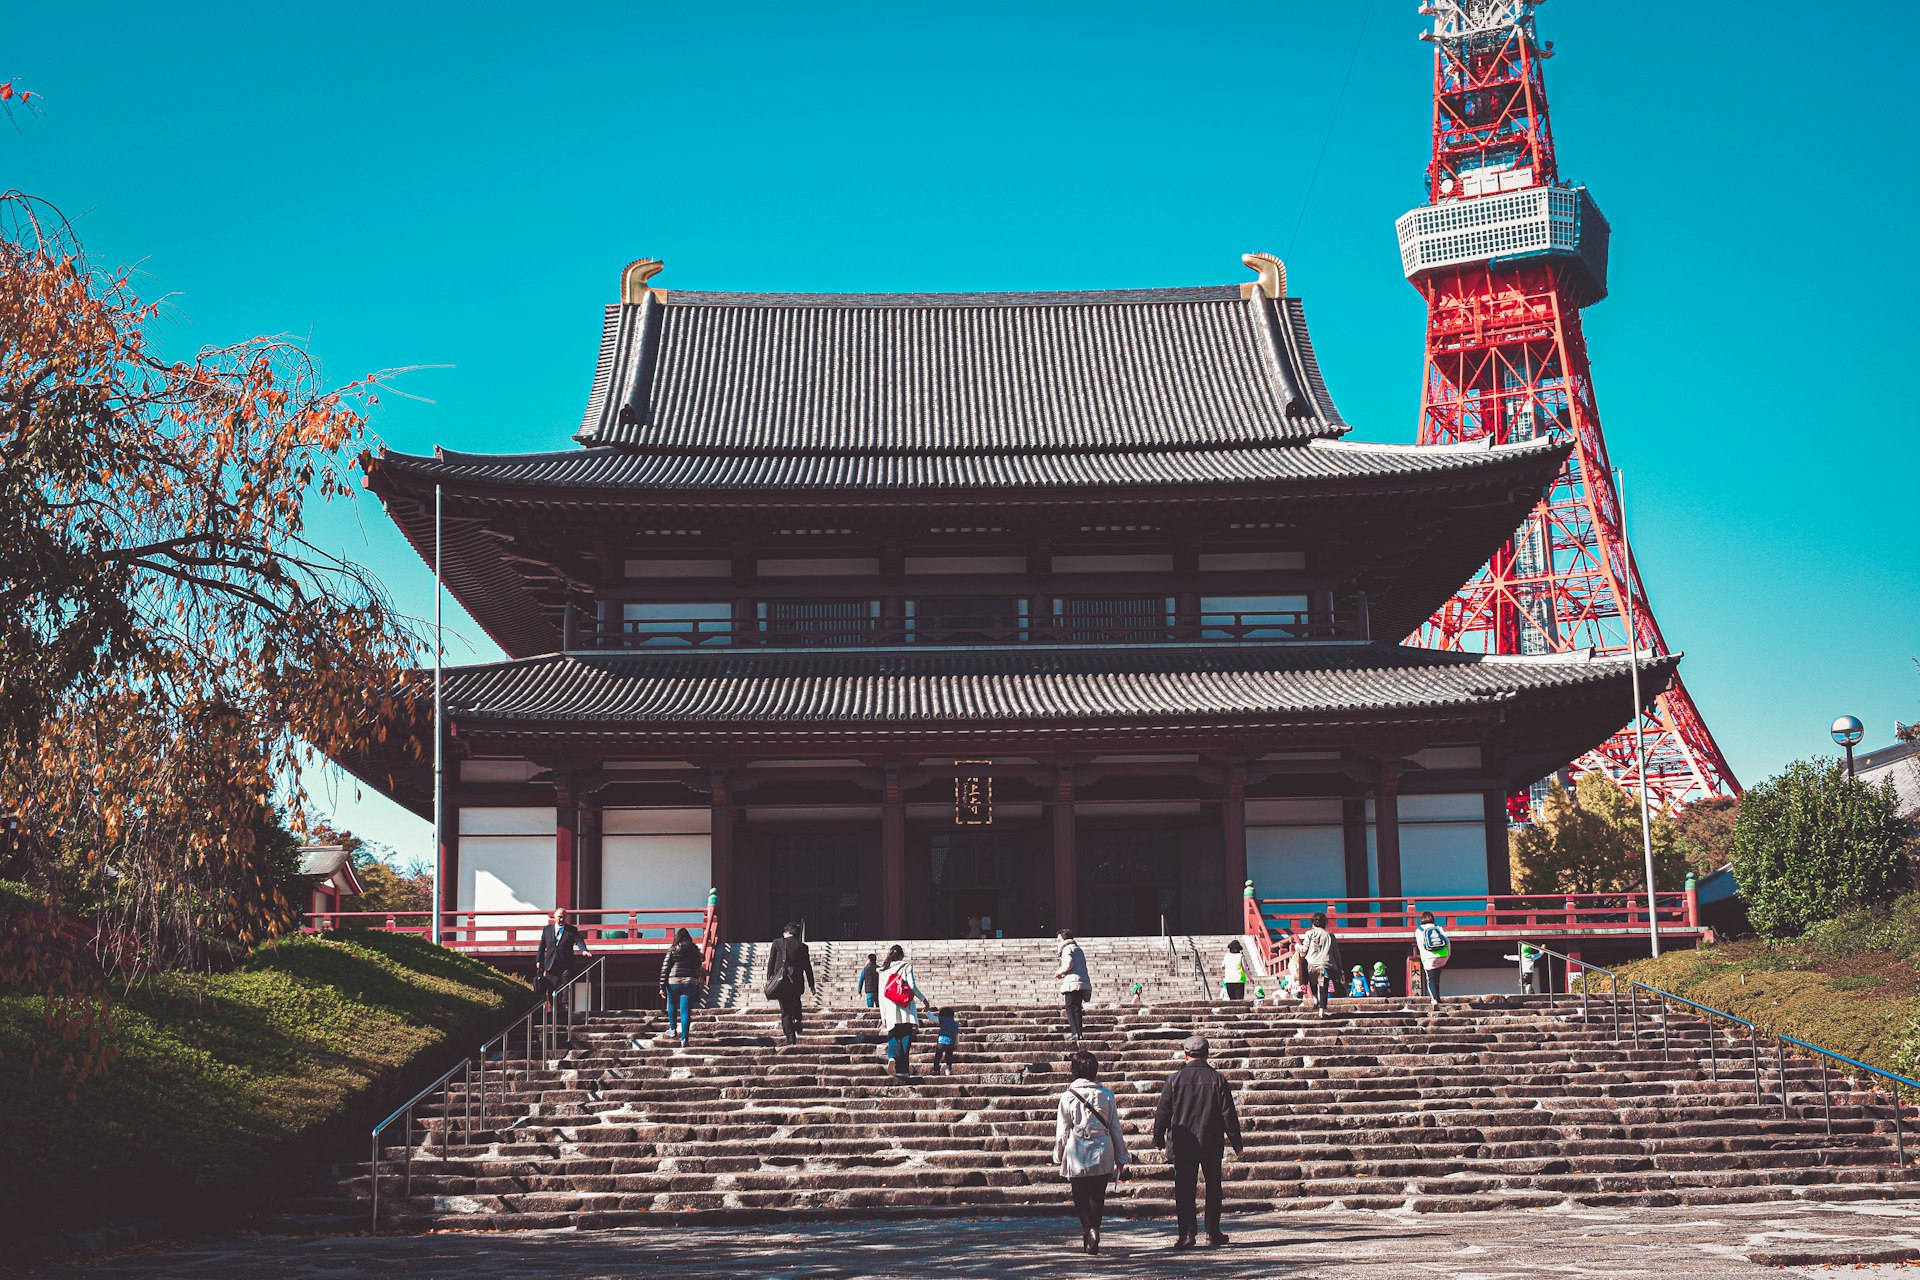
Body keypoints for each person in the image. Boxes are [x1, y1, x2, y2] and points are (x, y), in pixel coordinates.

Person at [1153, 1034, 1243, 1250]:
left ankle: (1186, 1234)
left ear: (1186, 1055)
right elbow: (1228, 1115)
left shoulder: (1173, 1080)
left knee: (1184, 1189)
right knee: (1213, 1187)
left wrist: (1158, 1138)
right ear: (1207, 1055)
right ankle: (1212, 1231)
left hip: (1183, 1143)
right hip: (1210, 1142)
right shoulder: (1218, 1080)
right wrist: (1237, 1144)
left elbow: (1163, 1113)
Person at [1054, 1048, 1129, 1255]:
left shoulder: (1067, 1097)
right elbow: (1115, 1128)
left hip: (1077, 1149)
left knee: (1080, 1195)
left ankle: (1088, 1229)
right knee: (1098, 1195)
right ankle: (1095, 1229)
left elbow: (1063, 1130)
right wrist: (1122, 1156)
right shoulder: (1107, 1095)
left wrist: (1058, 1153)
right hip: (1102, 1149)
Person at [877, 944, 934, 1078]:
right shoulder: (906, 966)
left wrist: (883, 1015)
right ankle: (903, 1069)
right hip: (906, 1006)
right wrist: (924, 1000)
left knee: (893, 1035)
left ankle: (892, 1057)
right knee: (906, 1037)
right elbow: (912, 986)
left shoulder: (883, 970)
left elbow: (881, 994)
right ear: (901, 955)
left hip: (890, 1007)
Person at [535, 908, 591, 1030]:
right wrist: (539, 960)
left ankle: (566, 1008)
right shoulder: (547, 930)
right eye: (559, 917)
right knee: (551, 987)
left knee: (566, 986)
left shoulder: (572, 930)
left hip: (566, 964)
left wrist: (584, 950)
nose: (561, 919)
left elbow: (579, 941)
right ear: (554, 918)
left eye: (563, 917)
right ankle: (553, 1008)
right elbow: (542, 946)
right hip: (550, 964)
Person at [764, 921, 816, 1046]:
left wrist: (768, 979)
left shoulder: (777, 943)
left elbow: (771, 962)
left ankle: (790, 1039)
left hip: (781, 983)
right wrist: (811, 984)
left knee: (785, 1011)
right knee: (796, 1003)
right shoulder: (803, 947)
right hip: (796, 982)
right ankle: (797, 1020)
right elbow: (807, 967)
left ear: (787, 932)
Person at [658, 926, 703, 1046]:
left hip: (674, 981)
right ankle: (684, 1039)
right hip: (689, 981)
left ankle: (672, 1029)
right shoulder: (694, 949)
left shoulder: (673, 949)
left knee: (671, 1002)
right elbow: (699, 964)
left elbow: (665, 968)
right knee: (685, 1011)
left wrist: (662, 987)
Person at [1300, 912, 1342, 1018]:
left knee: (1313, 982)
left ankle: (1315, 998)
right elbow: (1336, 953)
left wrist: (1297, 947)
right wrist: (1340, 967)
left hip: (1312, 964)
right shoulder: (1330, 936)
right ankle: (1321, 1011)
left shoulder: (1309, 934)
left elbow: (1304, 950)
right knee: (1323, 987)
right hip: (1325, 964)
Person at [1055, 929, 1092, 1041]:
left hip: (1072, 983)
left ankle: (1075, 1032)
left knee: (1070, 1008)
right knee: (1077, 1008)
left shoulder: (1067, 948)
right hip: (1081, 981)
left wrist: (1060, 972)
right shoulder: (1078, 949)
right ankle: (1079, 1033)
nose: (1058, 942)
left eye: (1059, 940)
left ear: (1064, 939)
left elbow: (1069, 963)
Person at [1414, 911, 1451, 1006]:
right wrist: (1448, 954)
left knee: (1431, 979)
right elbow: (1447, 941)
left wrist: (1424, 959)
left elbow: (1420, 946)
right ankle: (1438, 998)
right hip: (1442, 956)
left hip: (1429, 958)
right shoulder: (1438, 928)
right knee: (1437, 979)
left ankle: (1434, 1000)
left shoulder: (1419, 930)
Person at [931, 1006, 960, 1075]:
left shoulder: (942, 1019)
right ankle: (948, 1069)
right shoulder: (955, 1023)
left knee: (938, 1056)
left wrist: (927, 1012)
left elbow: (932, 1018)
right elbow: (956, 1034)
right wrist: (956, 1044)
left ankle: (935, 1069)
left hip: (941, 1041)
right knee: (949, 1057)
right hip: (951, 1042)